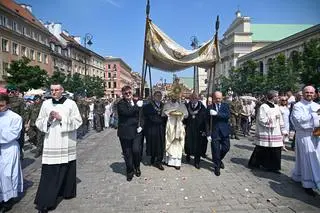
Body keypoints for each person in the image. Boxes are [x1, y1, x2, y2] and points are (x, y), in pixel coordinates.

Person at [34, 83, 82, 212]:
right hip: (52, 141)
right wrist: (48, 120)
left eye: (56, 90)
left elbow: (78, 121)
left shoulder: (71, 104)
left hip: (66, 141)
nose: (54, 92)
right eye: (52, 90)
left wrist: (62, 118)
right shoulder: (46, 104)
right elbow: (39, 122)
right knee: (50, 172)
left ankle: (66, 192)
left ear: (62, 90)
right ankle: (45, 201)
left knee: (66, 167)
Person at [291, 85, 320, 196]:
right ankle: (307, 184)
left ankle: (311, 179)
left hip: (316, 135)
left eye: (311, 93)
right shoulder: (298, 106)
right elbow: (298, 122)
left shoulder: (317, 105)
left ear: (315, 94)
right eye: (307, 92)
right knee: (307, 160)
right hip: (304, 136)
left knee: (316, 159)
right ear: (303, 93)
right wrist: (314, 115)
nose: (309, 94)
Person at [248, 90, 285, 174]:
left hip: (275, 131)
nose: (278, 98)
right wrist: (273, 118)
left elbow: (280, 118)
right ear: (272, 97)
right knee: (262, 148)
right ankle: (255, 163)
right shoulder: (263, 106)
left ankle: (274, 167)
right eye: (277, 96)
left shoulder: (276, 107)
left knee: (276, 149)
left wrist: (283, 129)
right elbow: (261, 119)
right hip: (265, 131)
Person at [0, 94, 23, 212]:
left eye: (1, 105)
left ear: (7, 105)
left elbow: (13, 134)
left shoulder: (15, 118)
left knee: (7, 174)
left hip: (9, 148)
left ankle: (8, 200)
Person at [117, 86, 144, 181]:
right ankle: (130, 171)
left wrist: (141, 125)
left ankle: (137, 167)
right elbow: (127, 113)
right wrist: (137, 106)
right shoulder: (120, 104)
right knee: (128, 153)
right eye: (126, 93)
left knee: (136, 151)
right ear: (123, 94)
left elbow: (142, 116)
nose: (128, 95)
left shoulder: (137, 102)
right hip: (125, 132)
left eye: (129, 93)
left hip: (137, 131)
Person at [162, 80, 188, 170]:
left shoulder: (182, 105)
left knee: (178, 143)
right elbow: (163, 114)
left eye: (176, 96)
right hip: (170, 125)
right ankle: (168, 160)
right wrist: (169, 112)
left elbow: (186, 114)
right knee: (169, 141)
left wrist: (181, 114)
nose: (174, 97)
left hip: (179, 126)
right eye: (173, 96)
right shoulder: (167, 104)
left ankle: (177, 162)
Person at [207, 91, 231, 176]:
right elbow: (207, 122)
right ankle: (217, 167)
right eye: (216, 98)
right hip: (215, 131)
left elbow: (227, 116)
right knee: (215, 150)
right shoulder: (210, 107)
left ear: (222, 98)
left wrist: (217, 114)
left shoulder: (225, 106)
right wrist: (208, 133)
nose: (218, 100)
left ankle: (218, 159)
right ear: (213, 98)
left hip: (224, 131)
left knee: (226, 148)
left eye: (219, 98)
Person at [143, 91, 166, 170]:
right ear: (154, 96)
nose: (159, 97)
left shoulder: (164, 105)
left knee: (161, 144)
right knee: (153, 143)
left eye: (160, 95)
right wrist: (160, 120)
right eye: (157, 95)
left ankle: (158, 161)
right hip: (152, 128)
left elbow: (166, 116)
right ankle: (153, 157)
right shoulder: (148, 106)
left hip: (161, 128)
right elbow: (149, 117)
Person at [184, 93, 207, 169]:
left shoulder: (202, 108)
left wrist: (204, 130)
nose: (194, 99)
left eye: (195, 98)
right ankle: (188, 154)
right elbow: (183, 116)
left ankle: (197, 161)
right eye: (192, 98)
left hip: (198, 129)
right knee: (188, 143)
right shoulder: (186, 106)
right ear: (190, 99)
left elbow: (205, 120)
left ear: (198, 99)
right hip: (189, 128)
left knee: (198, 146)